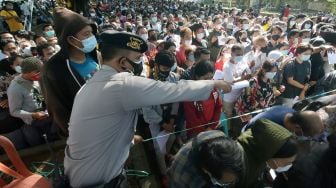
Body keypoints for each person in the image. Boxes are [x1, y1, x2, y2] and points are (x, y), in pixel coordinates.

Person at [64, 31, 232, 187]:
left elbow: (102, 127)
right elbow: (176, 90)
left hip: (81, 173)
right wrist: (215, 83)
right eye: (138, 58)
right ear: (123, 62)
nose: (141, 63)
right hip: (98, 181)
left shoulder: (91, 84)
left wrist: (128, 138)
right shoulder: (122, 84)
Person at [41, 8, 101, 134]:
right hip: (88, 131)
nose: (92, 37)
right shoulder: (53, 69)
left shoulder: (97, 55)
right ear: (71, 40)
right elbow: (58, 109)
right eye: (86, 34)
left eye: (91, 33)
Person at [168, 130, 245, 188]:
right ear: (206, 171)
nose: (233, 184)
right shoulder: (182, 176)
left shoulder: (221, 139)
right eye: (225, 183)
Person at [237, 119, 298, 188]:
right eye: (287, 163)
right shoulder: (239, 165)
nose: (289, 165)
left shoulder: (259, 154)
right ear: (272, 154)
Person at [7, 57, 55, 146]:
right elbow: (14, 111)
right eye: (37, 72)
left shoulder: (35, 79)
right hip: (35, 120)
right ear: (27, 72)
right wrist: (33, 115)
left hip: (47, 112)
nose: (40, 74)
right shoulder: (15, 88)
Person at [183, 61, 222, 138]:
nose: (209, 81)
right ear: (197, 77)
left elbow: (218, 107)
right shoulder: (190, 94)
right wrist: (203, 131)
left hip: (211, 128)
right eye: (206, 78)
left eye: (211, 78)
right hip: (195, 131)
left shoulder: (213, 90)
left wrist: (211, 126)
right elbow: (191, 118)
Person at [242, 106, 324, 138]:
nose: (300, 137)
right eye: (302, 134)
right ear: (297, 127)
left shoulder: (291, 112)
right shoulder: (268, 125)